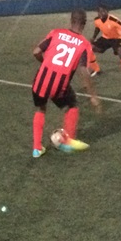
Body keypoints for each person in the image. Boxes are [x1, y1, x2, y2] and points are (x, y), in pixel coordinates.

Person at [30, 8, 101, 157]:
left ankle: (37, 148)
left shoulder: (56, 33)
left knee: (41, 108)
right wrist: (93, 96)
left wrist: (44, 62)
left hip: (40, 80)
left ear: (71, 20)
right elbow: (83, 70)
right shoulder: (84, 44)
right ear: (84, 23)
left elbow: (36, 51)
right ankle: (67, 141)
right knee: (72, 105)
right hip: (58, 85)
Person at [89, 4, 121, 86]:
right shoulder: (97, 20)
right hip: (105, 38)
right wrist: (93, 37)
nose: (101, 13)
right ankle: (96, 69)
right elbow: (97, 27)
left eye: (103, 11)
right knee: (90, 48)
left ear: (107, 12)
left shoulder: (114, 20)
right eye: (99, 12)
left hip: (116, 39)